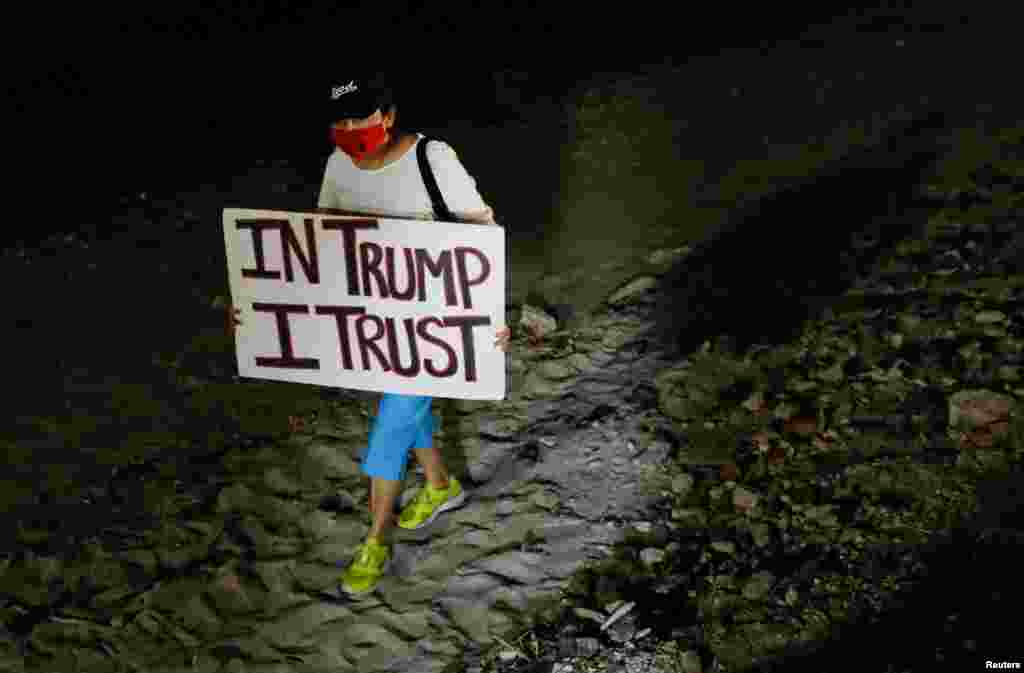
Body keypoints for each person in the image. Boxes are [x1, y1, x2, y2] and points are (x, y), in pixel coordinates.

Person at [226, 72, 511, 597]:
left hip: (434, 323)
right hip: (378, 327)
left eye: (359, 116)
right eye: (338, 119)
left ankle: (376, 537)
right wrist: (260, 310)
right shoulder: (339, 164)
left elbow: (481, 237)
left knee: (392, 418)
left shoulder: (433, 159)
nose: (348, 128)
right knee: (406, 408)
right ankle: (441, 486)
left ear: (388, 116)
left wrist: (490, 318)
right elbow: (319, 244)